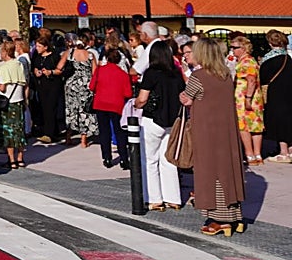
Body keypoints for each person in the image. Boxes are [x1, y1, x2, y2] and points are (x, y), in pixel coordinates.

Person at [180, 39, 246, 236]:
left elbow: (187, 98)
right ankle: (235, 216)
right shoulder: (226, 75)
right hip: (227, 131)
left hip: (207, 132)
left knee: (211, 173)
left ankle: (220, 220)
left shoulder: (198, 76)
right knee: (228, 170)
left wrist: (184, 95)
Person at [136, 39, 186, 211]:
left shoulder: (151, 73)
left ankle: (154, 199)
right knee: (169, 160)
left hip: (153, 120)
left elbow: (142, 99)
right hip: (172, 121)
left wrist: (135, 104)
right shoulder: (176, 73)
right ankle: (173, 198)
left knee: (150, 160)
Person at [89, 47, 132, 169]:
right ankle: (124, 159)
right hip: (116, 104)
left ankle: (107, 158)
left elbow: (91, 86)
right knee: (120, 132)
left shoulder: (100, 71)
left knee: (104, 131)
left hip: (101, 103)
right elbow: (128, 93)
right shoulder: (123, 74)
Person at [0, 39, 27, 169]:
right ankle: (20, 158)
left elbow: (2, 88)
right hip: (19, 100)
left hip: (7, 102)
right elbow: (24, 83)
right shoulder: (19, 64)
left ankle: (11, 160)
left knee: (8, 132)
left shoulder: (4, 67)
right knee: (19, 130)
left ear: (5, 52)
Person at [231, 35, 265, 164]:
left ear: (243, 48)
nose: (232, 50)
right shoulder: (250, 60)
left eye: (235, 47)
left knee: (244, 126)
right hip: (254, 98)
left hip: (245, 98)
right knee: (256, 126)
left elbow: (251, 80)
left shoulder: (246, 62)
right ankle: (257, 155)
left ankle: (249, 154)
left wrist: (248, 98)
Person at [260, 30, 291, 162]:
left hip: (275, 93)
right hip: (289, 92)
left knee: (279, 121)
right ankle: (290, 150)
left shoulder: (268, 59)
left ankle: (283, 152)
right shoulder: (288, 58)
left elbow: (263, 77)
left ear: (270, 42)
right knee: (289, 119)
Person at [30, 29, 66, 144]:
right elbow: (34, 66)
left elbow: (60, 70)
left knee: (51, 108)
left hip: (53, 85)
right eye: (36, 46)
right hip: (41, 85)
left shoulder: (54, 56)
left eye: (39, 46)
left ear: (46, 47)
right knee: (44, 108)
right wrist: (36, 71)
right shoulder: (37, 56)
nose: (37, 48)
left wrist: (50, 72)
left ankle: (49, 133)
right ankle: (51, 131)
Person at [64, 31, 99, 148]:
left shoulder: (70, 53)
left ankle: (68, 136)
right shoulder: (90, 55)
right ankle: (84, 140)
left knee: (71, 110)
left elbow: (59, 67)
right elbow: (95, 72)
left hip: (73, 83)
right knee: (85, 111)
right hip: (86, 84)